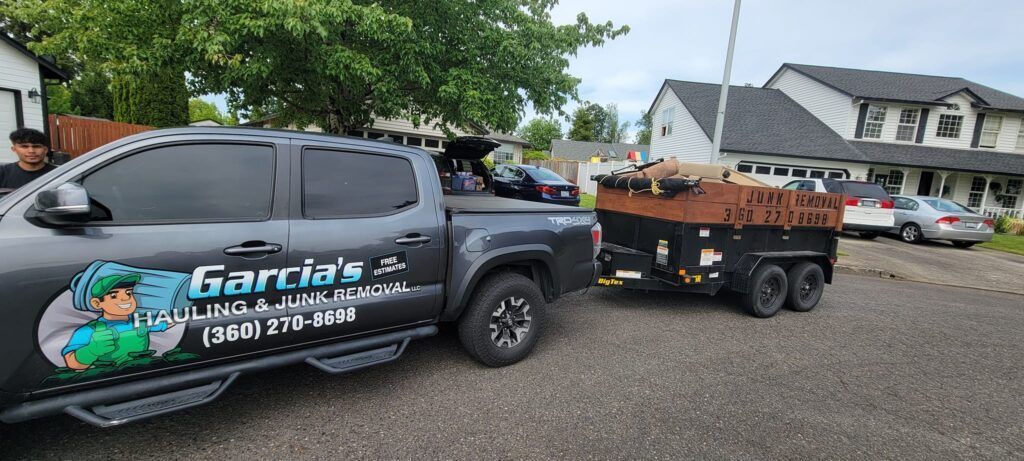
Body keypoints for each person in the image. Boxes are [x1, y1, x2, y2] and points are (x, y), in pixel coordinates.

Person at [61, 273, 171, 370]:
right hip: (108, 377)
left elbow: (172, 321)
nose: (125, 298)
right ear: (97, 303)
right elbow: (71, 362)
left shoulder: (142, 320)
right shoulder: (88, 330)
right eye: (114, 295)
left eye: (128, 293)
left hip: (145, 372)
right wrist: (91, 351)